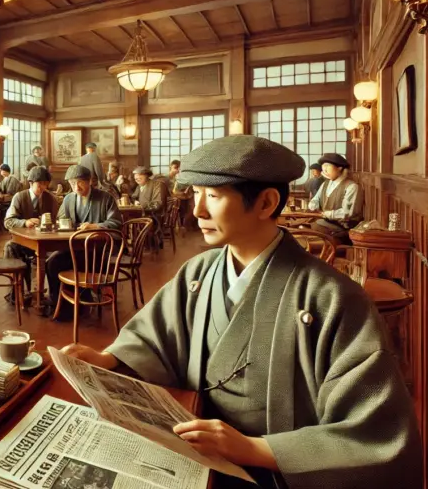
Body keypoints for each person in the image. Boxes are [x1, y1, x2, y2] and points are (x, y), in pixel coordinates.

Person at [62, 135, 422, 489]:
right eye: (196, 196)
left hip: (272, 473)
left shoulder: (333, 298)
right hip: (194, 445)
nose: (198, 211)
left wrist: (255, 448)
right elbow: (154, 337)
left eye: (213, 197)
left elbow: (377, 435)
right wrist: (108, 358)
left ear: (266, 203)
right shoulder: (198, 271)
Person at [45, 165, 122, 309]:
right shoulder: (69, 199)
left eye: (79, 182)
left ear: (90, 181)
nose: (76, 187)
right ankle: (58, 303)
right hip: (74, 248)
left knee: (75, 263)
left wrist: (95, 226)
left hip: (98, 251)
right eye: (72, 183)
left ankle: (81, 298)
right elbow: (61, 220)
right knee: (52, 262)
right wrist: (62, 224)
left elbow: (116, 222)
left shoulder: (105, 198)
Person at [2, 166, 59, 303]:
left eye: (45, 184)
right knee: (10, 247)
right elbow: (8, 221)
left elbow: (58, 220)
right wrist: (24, 222)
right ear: (31, 183)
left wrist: (52, 224)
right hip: (22, 242)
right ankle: (16, 293)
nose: (43, 187)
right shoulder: (19, 197)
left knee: (58, 256)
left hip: (45, 242)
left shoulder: (51, 199)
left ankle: (53, 296)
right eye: (39, 184)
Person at [307, 153, 363, 243]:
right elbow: (316, 199)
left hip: (343, 228)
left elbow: (348, 213)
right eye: (323, 166)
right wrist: (313, 204)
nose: (324, 170)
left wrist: (328, 214)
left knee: (312, 230)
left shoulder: (351, 186)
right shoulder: (325, 184)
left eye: (328, 166)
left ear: (339, 168)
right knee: (307, 229)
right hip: (327, 223)